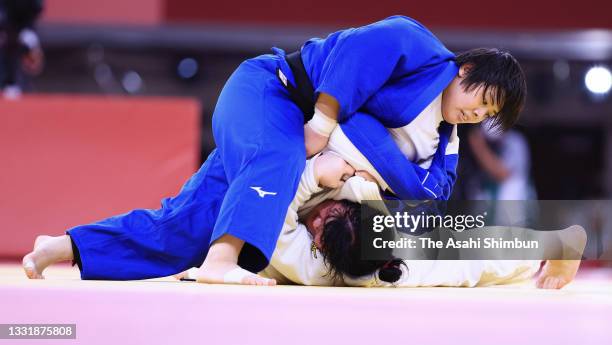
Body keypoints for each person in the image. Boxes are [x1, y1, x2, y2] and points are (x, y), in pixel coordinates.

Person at [24, 15, 527, 285]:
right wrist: (325, 121)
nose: (475, 115)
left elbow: (431, 201)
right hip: (272, 91)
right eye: (480, 100)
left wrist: (377, 183)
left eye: (487, 116)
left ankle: (62, 246)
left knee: (185, 226)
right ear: (465, 71)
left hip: (291, 134)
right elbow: (353, 57)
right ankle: (220, 264)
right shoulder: (418, 47)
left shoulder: (445, 141)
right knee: (280, 161)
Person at [23, 153, 403, 285]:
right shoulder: (364, 184)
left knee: (181, 247)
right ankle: (59, 245)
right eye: (327, 216)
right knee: (175, 232)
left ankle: (64, 244)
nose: (315, 221)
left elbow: (282, 221)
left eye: (318, 234)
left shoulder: (327, 265)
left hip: (267, 207)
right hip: (254, 164)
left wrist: (312, 179)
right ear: (351, 207)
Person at [0, 0, 44, 97]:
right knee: (8, 51)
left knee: (31, 48)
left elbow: (37, 8)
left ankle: (26, 84)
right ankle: (9, 84)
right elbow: (3, 12)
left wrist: (27, 30)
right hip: (9, 29)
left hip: (27, 28)